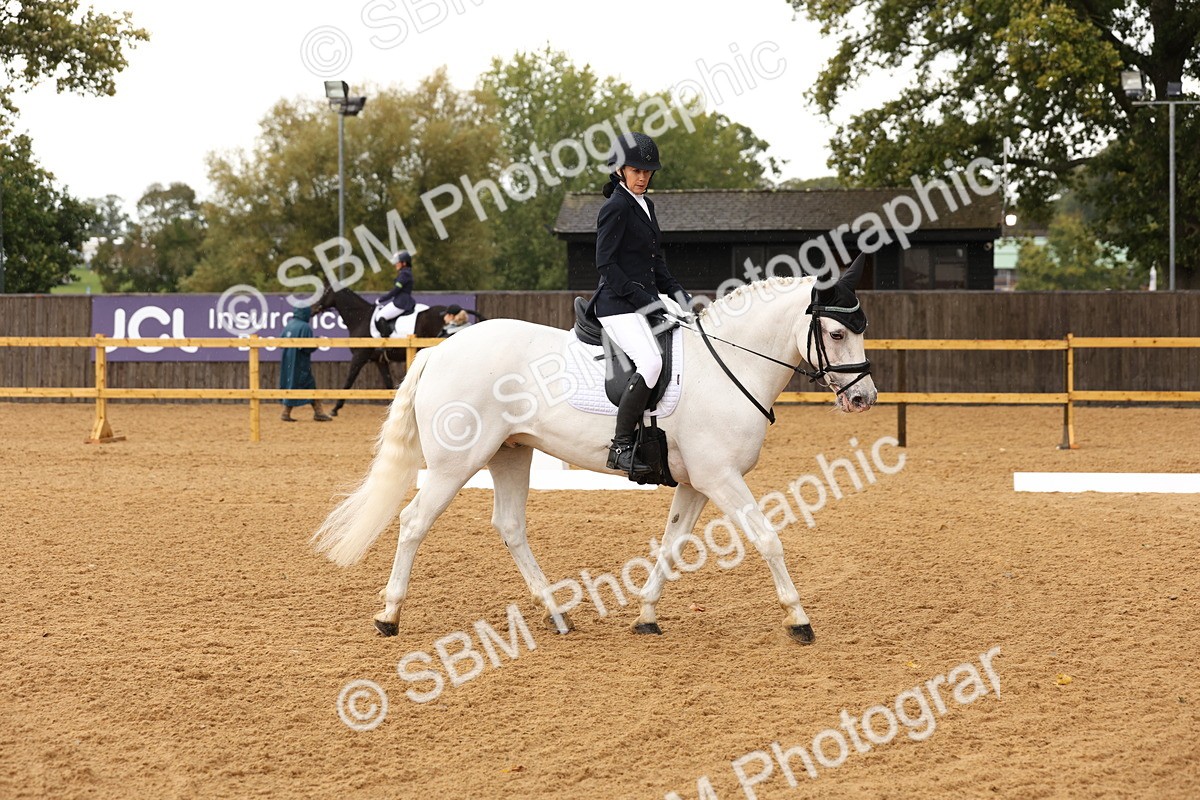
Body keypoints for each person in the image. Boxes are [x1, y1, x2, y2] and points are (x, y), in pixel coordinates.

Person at [587, 131, 691, 476]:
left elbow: (655, 263)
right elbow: (607, 266)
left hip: (643, 300)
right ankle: (621, 444)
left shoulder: (647, 205)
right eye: (636, 171)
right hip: (617, 304)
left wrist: (678, 296)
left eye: (648, 172)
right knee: (650, 362)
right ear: (619, 170)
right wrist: (647, 301)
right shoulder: (615, 206)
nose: (643, 177)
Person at [279, 305, 332, 422]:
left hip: (288, 362)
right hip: (300, 363)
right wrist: (318, 341)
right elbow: (307, 347)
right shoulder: (304, 327)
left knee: (292, 384)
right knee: (308, 384)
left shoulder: (289, 324)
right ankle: (318, 412)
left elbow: (280, 342)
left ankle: (288, 412)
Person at [375, 250, 416, 336]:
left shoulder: (404, 274)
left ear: (404, 263)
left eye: (398, 262)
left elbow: (396, 290)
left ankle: (388, 342)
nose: (396, 264)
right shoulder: (405, 273)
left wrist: (381, 299)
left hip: (401, 302)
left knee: (379, 316)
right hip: (402, 300)